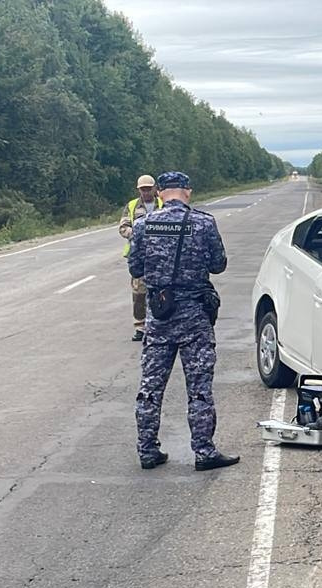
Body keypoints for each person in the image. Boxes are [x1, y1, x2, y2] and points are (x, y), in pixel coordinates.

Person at [128, 171, 239, 471]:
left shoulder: (142, 225)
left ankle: (147, 450)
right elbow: (218, 265)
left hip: (159, 316)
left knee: (151, 386)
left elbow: (135, 267)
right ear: (188, 191)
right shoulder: (203, 223)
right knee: (199, 388)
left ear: (161, 192)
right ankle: (204, 452)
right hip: (194, 318)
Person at [119, 175, 164, 341]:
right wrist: (137, 234)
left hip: (162, 254)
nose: (146, 192)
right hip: (139, 255)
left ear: (154, 188)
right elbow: (123, 227)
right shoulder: (132, 206)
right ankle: (140, 326)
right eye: (142, 189)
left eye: (148, 188)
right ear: (138, 190)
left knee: (161, 289)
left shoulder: (163, 204)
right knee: (139, 292)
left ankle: (160, 323)